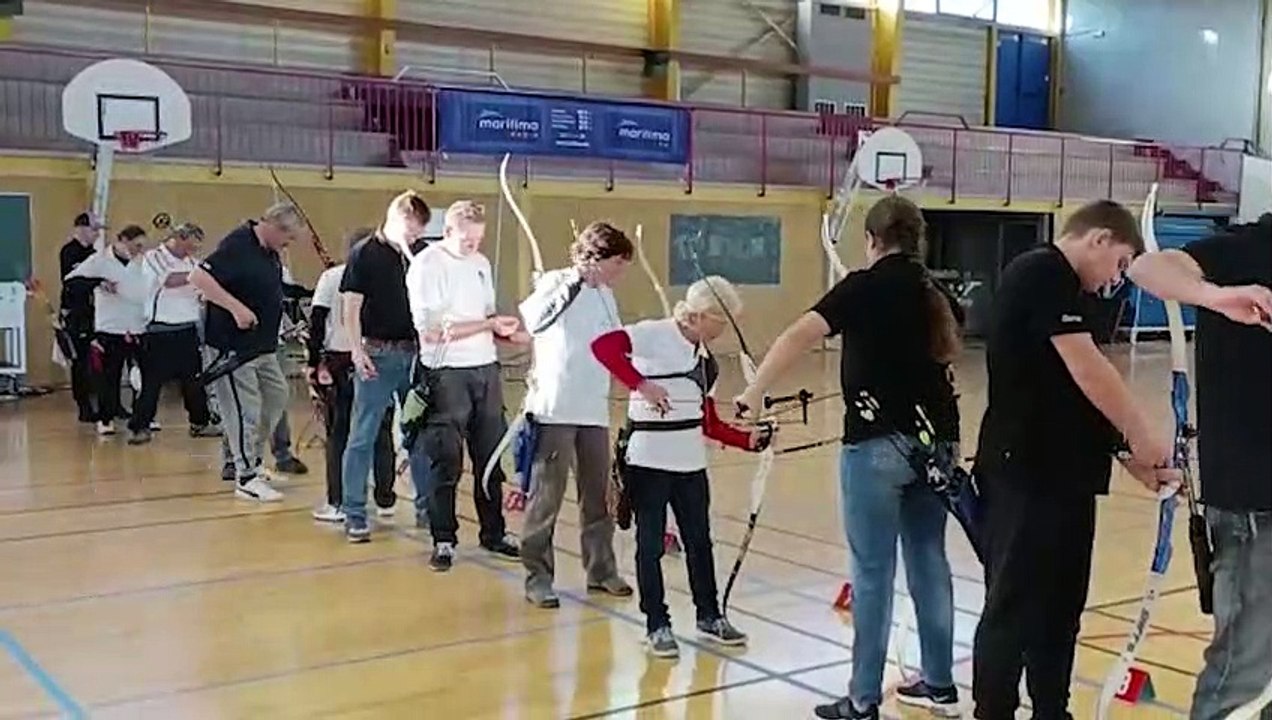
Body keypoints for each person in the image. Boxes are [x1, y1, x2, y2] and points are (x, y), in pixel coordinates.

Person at [735, 196, 964, 719]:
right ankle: (940, 684)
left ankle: (863, 699)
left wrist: (754, 390)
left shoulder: (864, 287)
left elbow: (799, 334)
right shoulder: (936, 290)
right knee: (929, 560)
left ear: (871, 240)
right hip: (938, 449)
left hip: (878, 447)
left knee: (872, 573)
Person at [969, 200, 1180, 720]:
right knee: (1013, 606)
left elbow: (1071, 395)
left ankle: (1052, 709)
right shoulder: (1041, 272)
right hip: (1024, 473)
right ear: (1098, 239)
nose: (1116, 278)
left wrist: (1127, 454)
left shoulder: (1071, 292)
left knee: (1061, 609)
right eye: (1120, 262)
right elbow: (1088, 369)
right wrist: (1143, 434)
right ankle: (993, 710)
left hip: (1067, 478)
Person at [1126, 213, 1272, 720]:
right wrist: (1214, 297)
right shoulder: (1244, 250)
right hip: (1254, 505)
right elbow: (1148, 267)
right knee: (1242, 674)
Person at [590, 275, 771, 659]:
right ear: (701, 315)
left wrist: (748, 440)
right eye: (721, 321)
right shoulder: (654, 334)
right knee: (650, 545)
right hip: (648, 462)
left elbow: (709, 423)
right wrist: (642, 385)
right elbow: (603, 347)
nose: (724, 330)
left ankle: (710, 615)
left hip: (690, 465)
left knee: (699, 542)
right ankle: (656, 624)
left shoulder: (707, 363)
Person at [517, 221, 635, 608]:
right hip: (555, 408)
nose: (620, 273)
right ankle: (538, 577)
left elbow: (616, 342)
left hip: (593, 408)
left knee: (598, 496)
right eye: (617, 264)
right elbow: (535, 321)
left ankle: (601, 570)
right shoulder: (556, 282)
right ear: (598, 259)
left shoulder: (606, 295)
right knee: (546, 498)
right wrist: (573, 282)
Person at [407, 200, 522, 570]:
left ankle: (494, 532)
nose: (473, 245)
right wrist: (487, 325)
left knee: (490, 456)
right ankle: (443, 538)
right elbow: (431, 332)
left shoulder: (480, 263)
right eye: (467, 239)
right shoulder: (428, 264)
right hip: (446, 373)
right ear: (448, 232)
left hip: (484, 368)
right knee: (446, 460)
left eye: (478, 239)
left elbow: (485, 315)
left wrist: (505, 330)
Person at [339, 190, 434, 542]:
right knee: (363, 435)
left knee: (419, 434)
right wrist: (356, 350)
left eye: (419, 232)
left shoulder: (423, 254)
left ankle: (427, 508)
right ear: (394, 221)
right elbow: (351, 307)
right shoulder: (365, 253)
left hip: (416, 357)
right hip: (377, 355)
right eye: (410, 230)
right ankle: (354, 512)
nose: (414, 238)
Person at [191, 202, 302, 503]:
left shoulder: (270, 253)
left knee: (276, 397)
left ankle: (254, 460)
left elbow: (269, 292)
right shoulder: (238, 244)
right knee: (245, 410)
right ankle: (245, 477)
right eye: (288, 237)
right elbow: (198, 278)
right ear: (274, 226)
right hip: (233, 347)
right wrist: (236, 308)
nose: (288, 244)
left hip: (262, 346)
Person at [306, 227, 399, 523]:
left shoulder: (332, 277)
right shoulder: (389, 274)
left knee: (341, 433)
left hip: (344, 359)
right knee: (380, 429)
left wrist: (313, 363)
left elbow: (317, 321)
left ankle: (337, 501)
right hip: (377, 356)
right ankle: (385, 498)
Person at [129, 221, 221, 445]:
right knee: (152, 383)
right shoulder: (154, 257)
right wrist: (199, 276)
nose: (194, 250)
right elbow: (169, 280)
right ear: (179, 238)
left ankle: (200, 422)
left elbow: (203, 287)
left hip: (187, 329)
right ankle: (140, 426)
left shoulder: (192, 262)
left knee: (193, 381)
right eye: (192, 244)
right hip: (159, 330)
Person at [64, 224, 151, 441]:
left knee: (144, 375)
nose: (139, 250)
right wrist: (98, 282)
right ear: (122, 241)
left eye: (142, 246)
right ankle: (105, 418)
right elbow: (72, 282)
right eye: (135, 245)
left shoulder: (142, 261)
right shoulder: (99, 260)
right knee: (109, 376)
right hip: (110, 327)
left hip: (138, 325)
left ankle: (142, 417)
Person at [59, 212, 103, 422]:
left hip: (95, 312)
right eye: (94, 230)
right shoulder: (69, 252)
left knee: (99, 359)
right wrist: (98, 281)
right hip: (76, 313)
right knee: (80, 360)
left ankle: (107, 403)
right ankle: (83, 405)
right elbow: (72, 282)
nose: (97, 234)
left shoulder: (94, 253)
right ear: (81, 229)